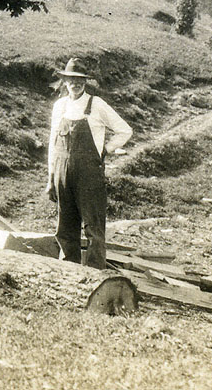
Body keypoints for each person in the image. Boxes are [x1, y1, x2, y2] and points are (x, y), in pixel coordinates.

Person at [44, 58, 132, 269]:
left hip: (89, 175)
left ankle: (95, 272)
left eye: (80, 79)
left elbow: (125, 130)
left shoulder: (97, 104)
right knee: (65, 226)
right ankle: (69, 270)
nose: (75, 83)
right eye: (71, 79)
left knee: (93, 226)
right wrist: (50, 178)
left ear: (85, 81)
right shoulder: (60, 106)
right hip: (62, 173)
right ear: (65, 81)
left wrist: (105, 149)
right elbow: (53, 143)